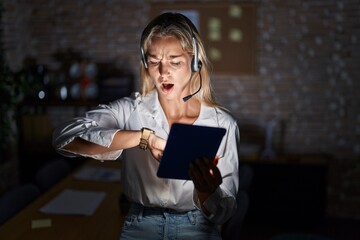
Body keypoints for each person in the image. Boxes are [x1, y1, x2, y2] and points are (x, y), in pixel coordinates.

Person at [53, 12, 239, 240]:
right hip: (139, 226)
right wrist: (143, 138)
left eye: (175, 62)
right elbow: (64, 139)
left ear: (195, 62)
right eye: (154, 62)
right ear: (145, 63)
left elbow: (223, 212)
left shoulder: (222, 124)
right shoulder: (130, 110)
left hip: (198, 227)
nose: (163, 73)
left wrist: (206, 191)